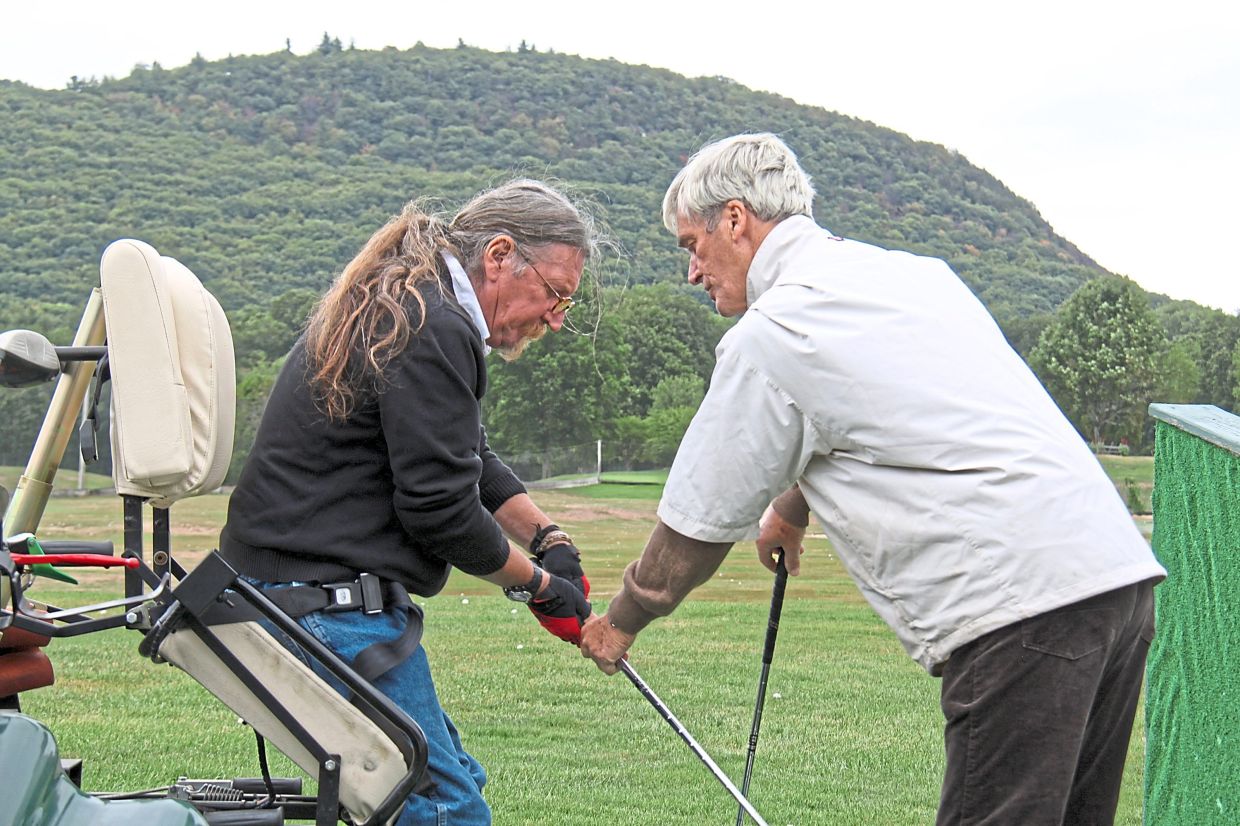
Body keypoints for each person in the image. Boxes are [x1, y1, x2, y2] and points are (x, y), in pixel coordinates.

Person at [579, 134, 1166, 825]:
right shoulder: (913, 277)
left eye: (689, 245)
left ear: (734, 219)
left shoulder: (774, 331)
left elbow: (698, 524)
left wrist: (621, 622)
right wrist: (791, 511)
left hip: (1020, 605)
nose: (691, 271)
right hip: (1114, 579)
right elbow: (883, 408)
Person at [220, 179, 598, 825]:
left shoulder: (409, 304)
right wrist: (536, 586)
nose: (556, 316)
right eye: (556, 293)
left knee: (451, 786)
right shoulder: (431, 323)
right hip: (322, 607)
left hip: (297, 595)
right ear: (501, 254)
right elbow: (440, 508)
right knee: (445, 808)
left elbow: (468, 458)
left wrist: (549, 541)